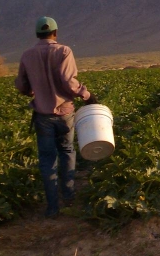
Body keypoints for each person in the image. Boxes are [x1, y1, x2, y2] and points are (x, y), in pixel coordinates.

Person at [14, 16, 97, 218]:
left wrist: (31, 91)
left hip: (42, 115)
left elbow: (22, 85)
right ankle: (68, 195)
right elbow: (69, 82)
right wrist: (87, 95)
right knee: (67, 151)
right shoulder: (64, 51)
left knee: (46, 159)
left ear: (37, 34)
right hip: (65, 112)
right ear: (55, 33)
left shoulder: (27, 55)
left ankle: (52, 207)